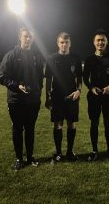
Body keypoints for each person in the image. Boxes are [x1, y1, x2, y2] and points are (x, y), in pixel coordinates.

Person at [0, 27, 44, 171]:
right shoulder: (10, 55)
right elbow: (3, 78)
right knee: (17, 129)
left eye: (30, 36)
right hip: (16, 100)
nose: (28, 39)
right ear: (20, 37)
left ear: (33, 38)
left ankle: (30, 157)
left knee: (30, 129)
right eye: (25, 36)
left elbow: (40, 78)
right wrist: (17, 86)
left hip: (33, 100)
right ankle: (19, 159)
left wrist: (38, 91)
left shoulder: (36, 56)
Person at [83, 29, 109, 161]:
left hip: (108, 96)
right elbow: (85, 78)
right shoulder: (89, 59)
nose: (100, 42)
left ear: (106, 42)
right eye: (98, 40)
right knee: (94, 123)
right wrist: (91, 87)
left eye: (102, 40)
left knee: (108, 123)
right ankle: (94, 151)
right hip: (94, 96)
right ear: (94, 42)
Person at [45, 32, 82, 163]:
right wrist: (48, 97)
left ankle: (70, 151)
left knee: (71, 124)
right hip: (57, 97)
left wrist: (79, 90)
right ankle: (58, 152)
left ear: (70, 43)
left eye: (66, 42)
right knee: (58, 124)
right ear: (58, 43)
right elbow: (48, 80)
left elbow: (79, 78)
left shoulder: (76, 58)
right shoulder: (51, 58)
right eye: (61, 42)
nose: (64, 45)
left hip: (72, 96)